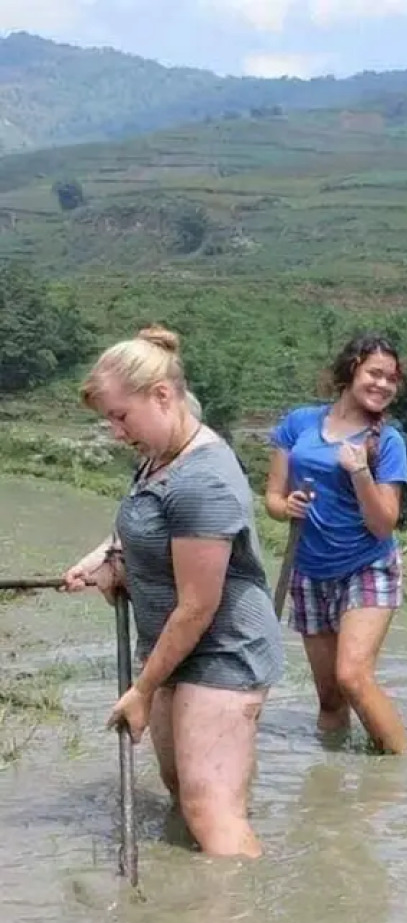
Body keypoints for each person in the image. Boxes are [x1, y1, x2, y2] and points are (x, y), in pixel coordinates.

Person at [62, 325, 283, 859]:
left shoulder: (202, 479)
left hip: (221, 652)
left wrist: (140, 690)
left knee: (212, 811)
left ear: (161, 396)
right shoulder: (161, 452)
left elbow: (198, 604)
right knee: (184, 791)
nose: (116, 431)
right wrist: (109, 559)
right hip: (170, 650)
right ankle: (195, 920)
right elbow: (148, 522)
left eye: (120, 416)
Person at [265, 333, 407, 754]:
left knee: (352, 676)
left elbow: (384, 524)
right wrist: (284, 505)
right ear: (351, 371)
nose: (383, 385)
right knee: (330, 697)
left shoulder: (387, 442)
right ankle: (331, 786)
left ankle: (401, 774)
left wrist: (361, 472)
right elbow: (273, 498)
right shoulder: (299, 424)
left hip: (367, 564)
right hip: (308, 569)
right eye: (375, 374)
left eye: (392, 379)